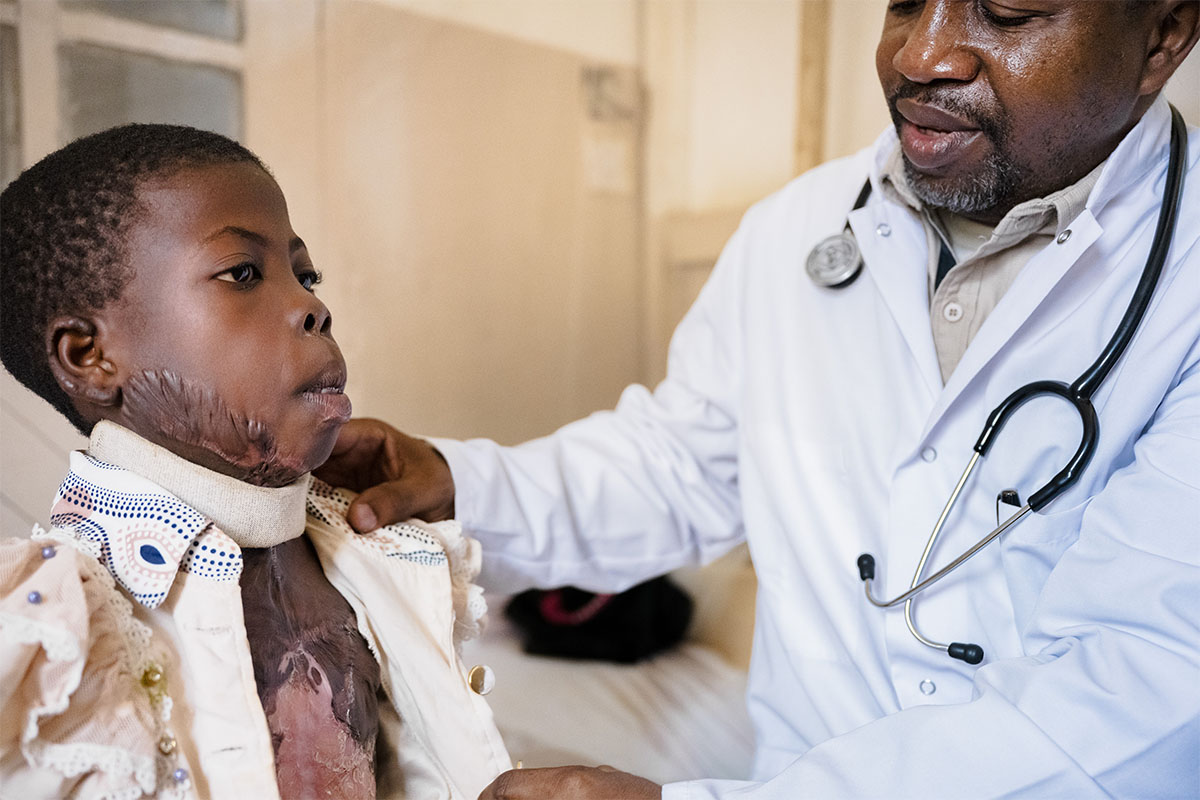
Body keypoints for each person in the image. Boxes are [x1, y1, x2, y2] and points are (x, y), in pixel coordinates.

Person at [317, 2, 1200, 798]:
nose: (921, 53)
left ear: (1162, 36)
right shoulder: (796, 229)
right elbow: (679, 468)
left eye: (1005, 11)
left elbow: (1147, 688)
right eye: (902, 2)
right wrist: (460, 484)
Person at [0, 124, 510, 799]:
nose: (313, 308)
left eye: (306, 275)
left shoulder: (374, 553)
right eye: (243, 274)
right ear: (91, 357)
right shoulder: (52, 632)